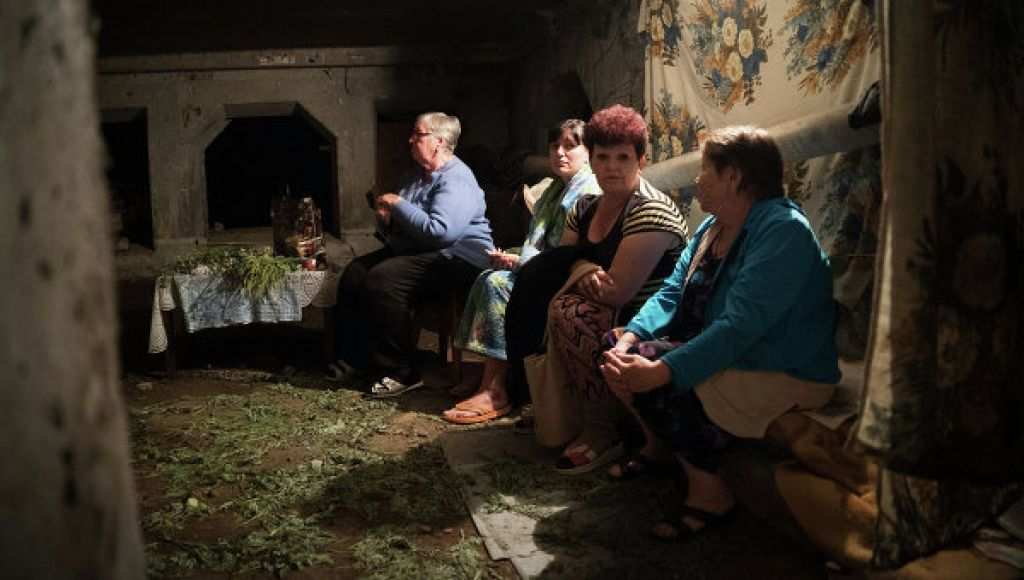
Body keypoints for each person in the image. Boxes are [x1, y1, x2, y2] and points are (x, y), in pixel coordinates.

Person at [598, 126, 840, 539]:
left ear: (733, 176)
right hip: (730, 348)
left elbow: (740, 327)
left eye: (705, 169)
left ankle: (711, 494)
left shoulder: (783, 231)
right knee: (617, 348)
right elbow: (671, 292)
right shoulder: (714, 227)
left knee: (659, 372)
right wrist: (629, 337)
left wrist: (665, 369)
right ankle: (660, 448)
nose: (697, 180)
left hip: (779, 365)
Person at [534, 105, 688, 473]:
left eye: (623, 157)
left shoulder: (651, 210)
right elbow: (562, 262)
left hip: (652, 319)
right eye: (603, 157)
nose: (612, 167)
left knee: (570, 311)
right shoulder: (585, 206)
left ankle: (603, 430)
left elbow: (616, 292)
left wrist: (575, 267)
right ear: (591, 160)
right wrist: (582, 267)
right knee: (545, 298)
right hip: (610, 310)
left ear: (641, 161)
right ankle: (575, 413)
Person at [442, 119, 601, 424]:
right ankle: (488, 374)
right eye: (554, 146)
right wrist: (516, 257)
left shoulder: (587, 192)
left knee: (497, 284)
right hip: (546, 266)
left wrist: (522, 264)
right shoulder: (555, 189)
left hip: (570, 273)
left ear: (589, 152)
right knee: (487, 274)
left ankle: (496, 389)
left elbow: (566, 253)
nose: (560, 153)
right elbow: (541, 243)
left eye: (570, 146)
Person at [329, 112, 493, 397]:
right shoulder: (414, 178)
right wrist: (387, 219)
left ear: (439, 141)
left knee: (384, 279)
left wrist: (397, 203)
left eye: (418, 134)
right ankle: (357, 358)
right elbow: (404, 229)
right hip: (422, 250)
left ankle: (401, 371)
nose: (410, 140)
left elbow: (441, 232)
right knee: (355, 273)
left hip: (460, 257)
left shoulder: (457, 179)